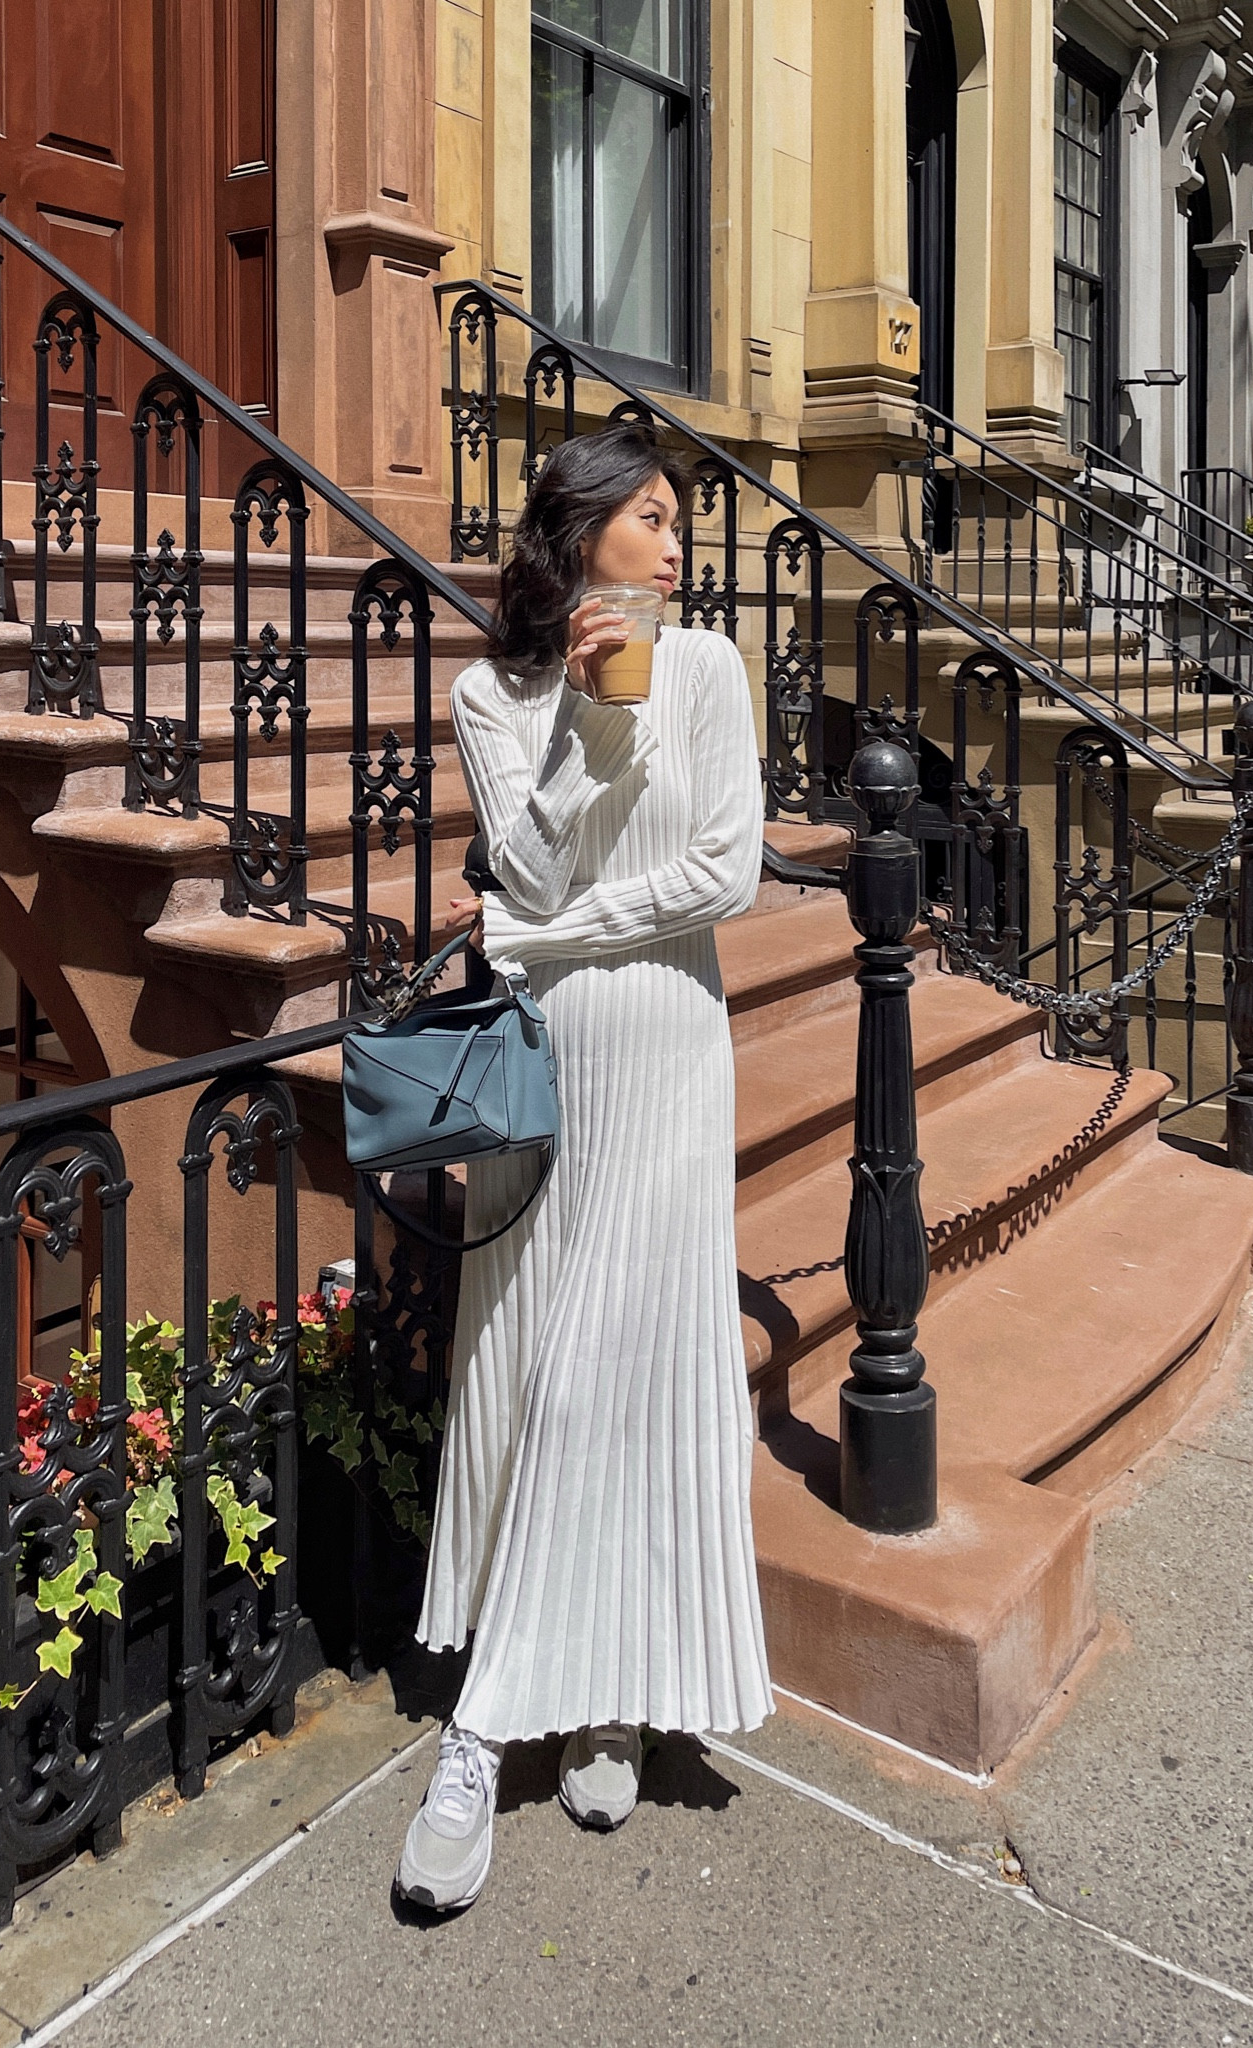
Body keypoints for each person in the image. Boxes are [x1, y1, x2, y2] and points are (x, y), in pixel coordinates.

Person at [394, 426, 774, 1914]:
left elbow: (724, 877)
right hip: (547, 1070)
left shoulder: (714, 670)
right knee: (527, 1358)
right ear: (582, 535)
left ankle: (597, 1696)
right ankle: (495, 1717)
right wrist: (588, 731)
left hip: (668, 1047)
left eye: (679, 522)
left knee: (627, 1360)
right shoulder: (493, 692)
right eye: (653, 520)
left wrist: (540, 940)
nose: (676, 546)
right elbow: (529, 861)